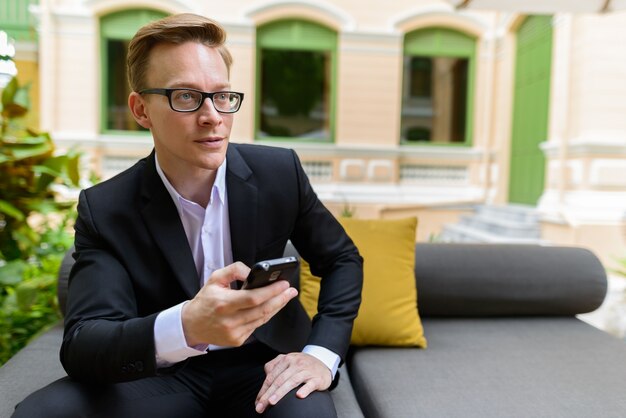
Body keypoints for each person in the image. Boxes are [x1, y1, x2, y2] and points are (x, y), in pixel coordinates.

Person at [12, 13, 362, 418]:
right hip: (159, 375)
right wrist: (187, 325)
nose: (213, 115)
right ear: (141, 110)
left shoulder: (278, 173)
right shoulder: (107, 208)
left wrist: (320, 355)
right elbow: (84, 342)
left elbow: (342, 259)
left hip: (265, 367)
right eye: (185, 96)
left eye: (222, 95)